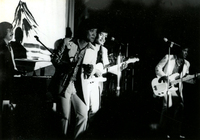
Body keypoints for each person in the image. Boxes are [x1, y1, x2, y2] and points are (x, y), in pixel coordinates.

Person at [50, 19, 97, 139]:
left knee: (83, 115)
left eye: (95, 32)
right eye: (91, 31)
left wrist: (89, 70)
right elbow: (55, 60)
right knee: (64, 117)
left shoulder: (92, 49)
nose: (94, 34)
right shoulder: (68, 42)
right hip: (63, 83)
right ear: (84, 30)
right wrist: (65, 65)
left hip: (76, 87)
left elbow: (88, 73)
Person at [82, 27, 128, 124]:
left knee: (94, 110)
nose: (103, 38)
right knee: (84, 111)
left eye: (105, 37)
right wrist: (94, 70)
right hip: (85, 81)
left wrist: (120, 67)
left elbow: (106, 68)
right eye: (101, 35)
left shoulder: (104, 50)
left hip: (97, 83)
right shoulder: (87, 47)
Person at [155, 46, 197, 139]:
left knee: (180, 108)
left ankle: (176, 133)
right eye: (184, 50)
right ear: (179, 50)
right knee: (167, 107)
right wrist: (164, 76)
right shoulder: (168, 57)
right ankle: (163, 131)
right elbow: (157, 68)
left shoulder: (187, 64)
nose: (186, 53)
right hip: (165, 85)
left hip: (176, 88)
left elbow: (183, 77)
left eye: (187, 51)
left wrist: (193, 79)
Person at [0, 21, 24, 139]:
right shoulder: (1, 46)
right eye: (9, 29)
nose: (12, 32)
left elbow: (11, 66)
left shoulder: (10, 46)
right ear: (3, 31)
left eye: (12, 29)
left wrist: (17, 72)